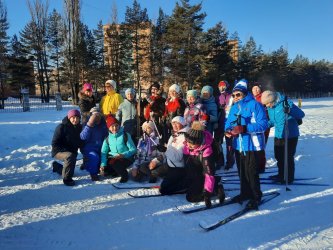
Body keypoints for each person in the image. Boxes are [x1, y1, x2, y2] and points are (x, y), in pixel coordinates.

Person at [224, 79, 268, 210]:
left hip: (251, 144)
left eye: (238, 94)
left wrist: (244, 128)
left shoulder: (255, 105)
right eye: (233, 95)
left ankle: (256, 196)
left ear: (244, 93)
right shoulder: (234, 107)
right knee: (242, 171)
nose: (235, 97)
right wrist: (228, 131)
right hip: (239, 144)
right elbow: (228, 123)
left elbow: (263, 124)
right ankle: (245, 193)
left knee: (251, 172)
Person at [260, 90, 305, 183]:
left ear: (272, 100)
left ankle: (288, 178)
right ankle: (281, 174)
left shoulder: (286, 103)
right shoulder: (271, 107)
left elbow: (301, 114)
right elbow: (273, 121)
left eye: (268, 104)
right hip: (279, 134)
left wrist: (290, 110)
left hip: (290, 135)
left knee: (287, 157)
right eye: (265, 104)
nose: (267, 106)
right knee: (279, 156)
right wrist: (263, 126)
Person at [183, 121, 225, 208]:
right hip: (196, 174)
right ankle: (209, 185)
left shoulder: (207, 151)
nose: (189, 145)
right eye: (188, 142)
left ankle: (217, 186)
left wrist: (207, 194)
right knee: (190, 190)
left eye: (192, 144)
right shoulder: (187, 146)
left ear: (199, 142)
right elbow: (188, 166)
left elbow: (209, 173)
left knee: (191, 197)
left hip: (205, 173)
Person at [100, 115, 137, 183]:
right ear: (109, 128)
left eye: (116, 125)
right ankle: (115, 171)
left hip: (126, 158)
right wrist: (103, 165)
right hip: (114, 157)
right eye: (112, 126)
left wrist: (123, 155)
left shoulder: (125, 135)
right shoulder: (107, 139)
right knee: (107, 168)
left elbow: (133, 149)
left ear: (119, 126)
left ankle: (124, 175)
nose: (115, 128)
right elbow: (104, 152)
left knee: (114, 163)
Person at [51, 109, 83, 186]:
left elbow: (80, 140)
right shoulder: (61, 127)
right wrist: (66, 151)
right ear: (69, 118)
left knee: (70, 172)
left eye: (77, 118)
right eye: (73, 117)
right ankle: (67, 180)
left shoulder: (79, 127)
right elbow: (54, 143)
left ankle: (56, 166)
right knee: (69, 157)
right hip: (58, 151)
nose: (75, 120)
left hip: (72, 152)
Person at [159, 116, 189, 195]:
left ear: (182, 124)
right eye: (173, 123)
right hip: (170, 165)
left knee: (164, 190)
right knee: (155, 172)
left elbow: (178, 158)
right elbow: (169, 150)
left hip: (178, 167)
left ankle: (185, 185)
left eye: (177, 123)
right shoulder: (174, 135)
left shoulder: (184, 136)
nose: (174, 125)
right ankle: (176, 181)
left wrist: (165, 150)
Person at [80, 108, 108, 181]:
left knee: (106, 158)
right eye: (94, 115)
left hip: (101, 147)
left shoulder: (103, 123)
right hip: (89, 148)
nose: (96, 117)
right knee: (95, 157)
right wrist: (89, 125)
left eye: (98, 115)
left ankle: (88, 164)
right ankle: (93, 174)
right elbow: (82, 137)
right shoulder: (87, 123)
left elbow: (107, 135)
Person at [215, 80, 235, 170]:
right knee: (218, 143)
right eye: (220, 87)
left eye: (223, 86)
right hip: (219, 123)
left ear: (227, 86)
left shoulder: (232, 96)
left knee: (229, 144)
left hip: (229, 124)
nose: (222, 88)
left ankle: (230, 162)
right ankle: (219, 161)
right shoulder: (218, 97)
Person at [251, 83, 270, 173]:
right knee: (254, 145)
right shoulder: (251, 98)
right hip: (253, 125)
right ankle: (255, 163)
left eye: (258, 89)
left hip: (263, 124)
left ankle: (261, 165)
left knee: (261, 145)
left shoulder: (263, 97)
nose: (256, 90)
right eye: (254, 89)